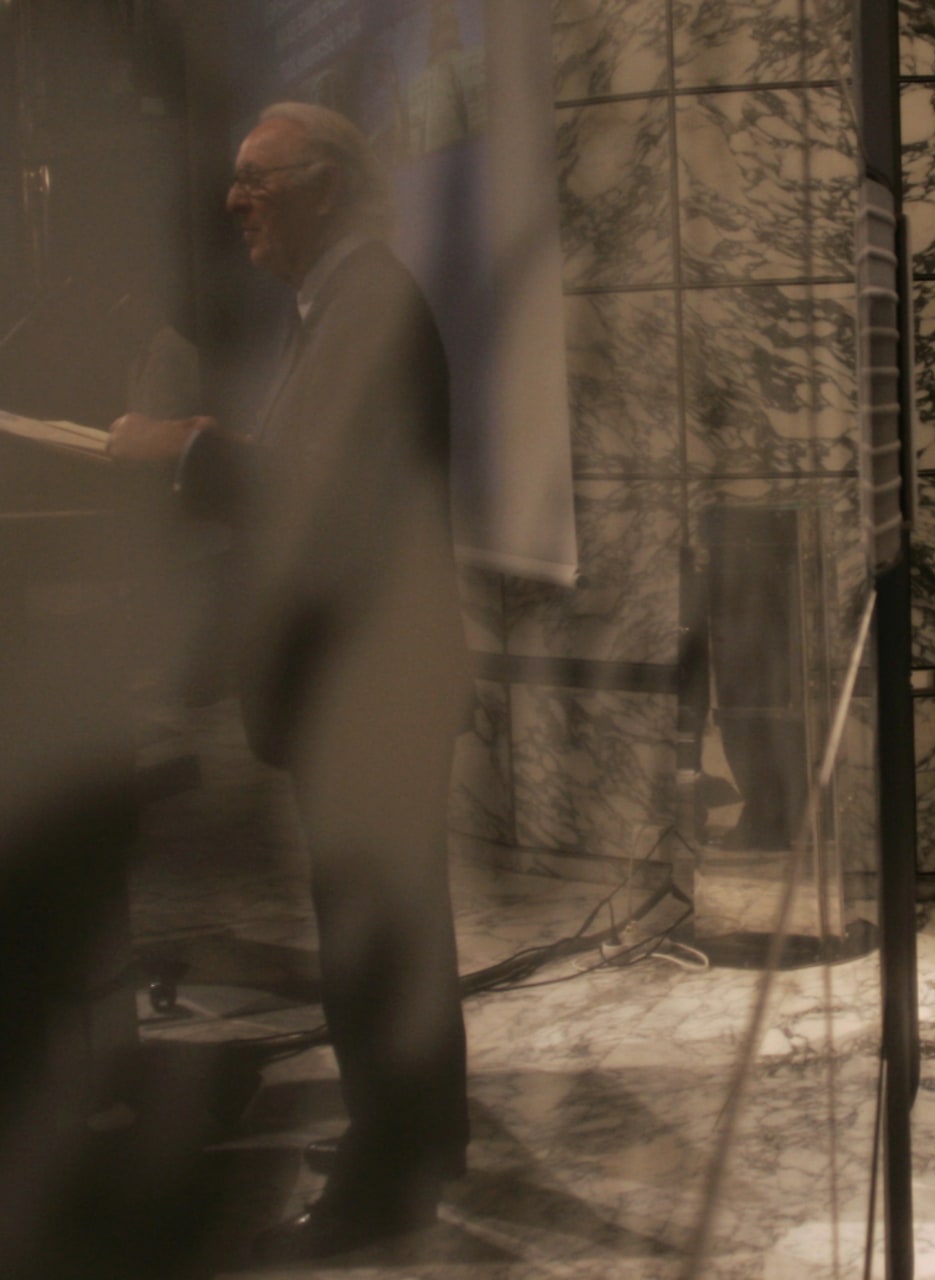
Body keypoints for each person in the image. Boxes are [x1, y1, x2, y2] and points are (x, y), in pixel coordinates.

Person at [108, 102, 471, 1261]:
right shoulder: (342, 306)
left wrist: (192, 453)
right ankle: (418, 1139)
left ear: (325, 185)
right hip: (367, 682)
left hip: (373, 686)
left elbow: (325, 505)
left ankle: (389, 1180)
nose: (234, 202)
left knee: (376, 937)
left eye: (258, 179)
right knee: (390, 927)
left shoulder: (370, 303)